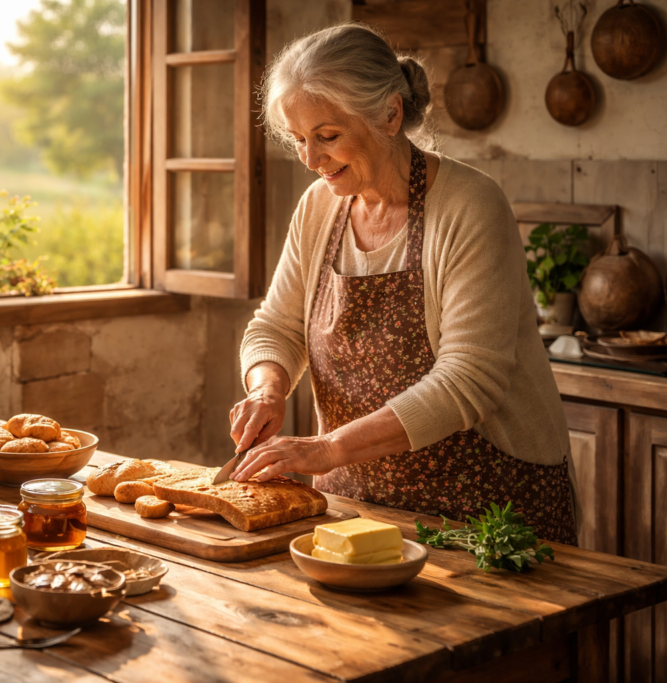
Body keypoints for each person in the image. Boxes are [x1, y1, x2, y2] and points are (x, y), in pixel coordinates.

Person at [229, 23, 577, 544]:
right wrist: (267, 389)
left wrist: (327, 449)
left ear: (390, 114)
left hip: (489, 504)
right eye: (299, 140)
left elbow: (468, 379)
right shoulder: (319, 208)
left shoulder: (470, 206)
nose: (310, 160)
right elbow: (276, 326)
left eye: (327, 136)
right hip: (356, 501)